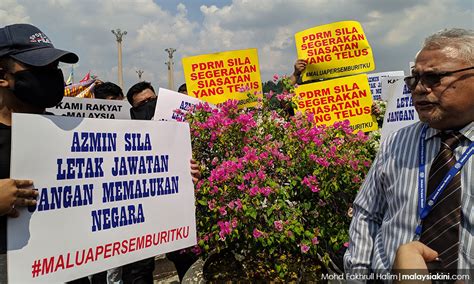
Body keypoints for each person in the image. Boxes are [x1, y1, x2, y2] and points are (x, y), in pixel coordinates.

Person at [344, 28, 473, 275]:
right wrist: (358, 276)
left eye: (434, 78)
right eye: (414, 78)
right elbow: (366, 215)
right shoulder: (396, 143)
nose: (419, 88)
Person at [0, 23, 79, 282]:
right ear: (3, 76)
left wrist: (173, 175)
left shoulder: (65, 129)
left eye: (54, 69)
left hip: (70, 267)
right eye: (39, 69)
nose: (52, 76)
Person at [123, 81, 200, 282]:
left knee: (188, 265)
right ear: (133, 111)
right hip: (143, 223)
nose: (149, 105)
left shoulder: (182, 129)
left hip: (179, 223)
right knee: (139, 272)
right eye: (142, 104)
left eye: (152, 100)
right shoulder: (127, 138)